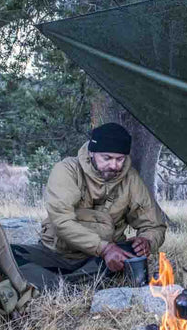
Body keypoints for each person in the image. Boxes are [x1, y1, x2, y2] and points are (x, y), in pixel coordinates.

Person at [12, 123, 167, 290]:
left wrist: (147, 241)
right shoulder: (67, 170)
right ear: (92, 152)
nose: (114, 165)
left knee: (131, 252)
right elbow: (61, 221)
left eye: (120, 159)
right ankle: (73, 285)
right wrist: (103, 248)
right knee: (9, 255)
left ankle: (56, 285)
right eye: (107, 158)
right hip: (56, 253)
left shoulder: (131, 179)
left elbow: (154, 225)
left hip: (101, 260)